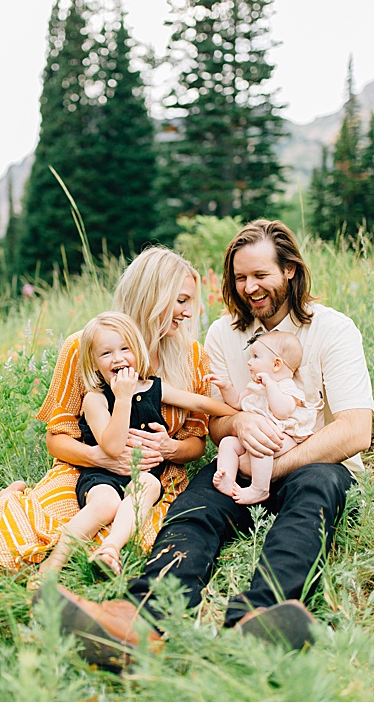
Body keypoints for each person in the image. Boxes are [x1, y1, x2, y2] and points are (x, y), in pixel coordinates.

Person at [45, 221, 372, 662]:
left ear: (290, 271)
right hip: (240, 461)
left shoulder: (333, 329)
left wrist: (273, 470)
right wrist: (238, 426)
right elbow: (215, 423)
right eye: (240, 278)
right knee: (193, 512)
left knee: (315, 494)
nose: (250, 287)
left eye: (261, 275)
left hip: (315, 462)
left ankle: (261, 616)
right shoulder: (223, 334)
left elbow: (356, 429)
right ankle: (140, 619)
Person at [0, 247, 215, 571]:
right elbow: (56, 439)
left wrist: (171, 448)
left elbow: (197, 442)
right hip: (86, 472)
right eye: (181, 300)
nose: (188, 312)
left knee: (136, 538)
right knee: (21, 540)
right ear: (152, 295)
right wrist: (101, 456)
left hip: (153, 478)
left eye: (191, 302)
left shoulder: (193, 358)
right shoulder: (85, 346)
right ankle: (13, 508)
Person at [35, 311, 235, 578]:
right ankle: (53, 564)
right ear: (94, 364)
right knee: (105, 504)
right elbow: (113, 447)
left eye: (125, 349)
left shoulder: (155, 387)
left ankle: (110, 549)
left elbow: (198, 403)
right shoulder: (95, 400)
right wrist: (123, 398)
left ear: (137, 351)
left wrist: (236, 411)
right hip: (102, 475)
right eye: (106, 354)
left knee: (151, 486)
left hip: (144, 474)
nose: (117, 358)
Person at [213, 330, 318, 504]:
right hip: (258, 436)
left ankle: (259, 489)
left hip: (284, 439)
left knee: (261, 445)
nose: (249, 362)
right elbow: (237, 401)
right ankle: (227, 479)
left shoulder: (286, 387)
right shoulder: (256, 386)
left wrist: (270, 385)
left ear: (276, 365)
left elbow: (282, 411)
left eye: (255, 357)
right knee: (228, 443)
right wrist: (225, 387)